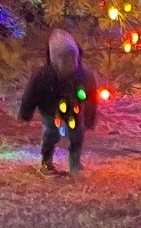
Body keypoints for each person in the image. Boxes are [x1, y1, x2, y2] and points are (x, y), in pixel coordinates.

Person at [19, 29, 97, 175]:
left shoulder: (83, 75)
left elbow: (91, 97)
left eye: (72, 58)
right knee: (51, 133)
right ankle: (46, 162)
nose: (69, 63)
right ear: (55, 60)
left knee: (76, 133)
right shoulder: (42, 76)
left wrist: (89, 118)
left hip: (73, 107)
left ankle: (75, 163)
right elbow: (30, 95)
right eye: (64, 59)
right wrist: (26, 113)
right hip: (50, 109)